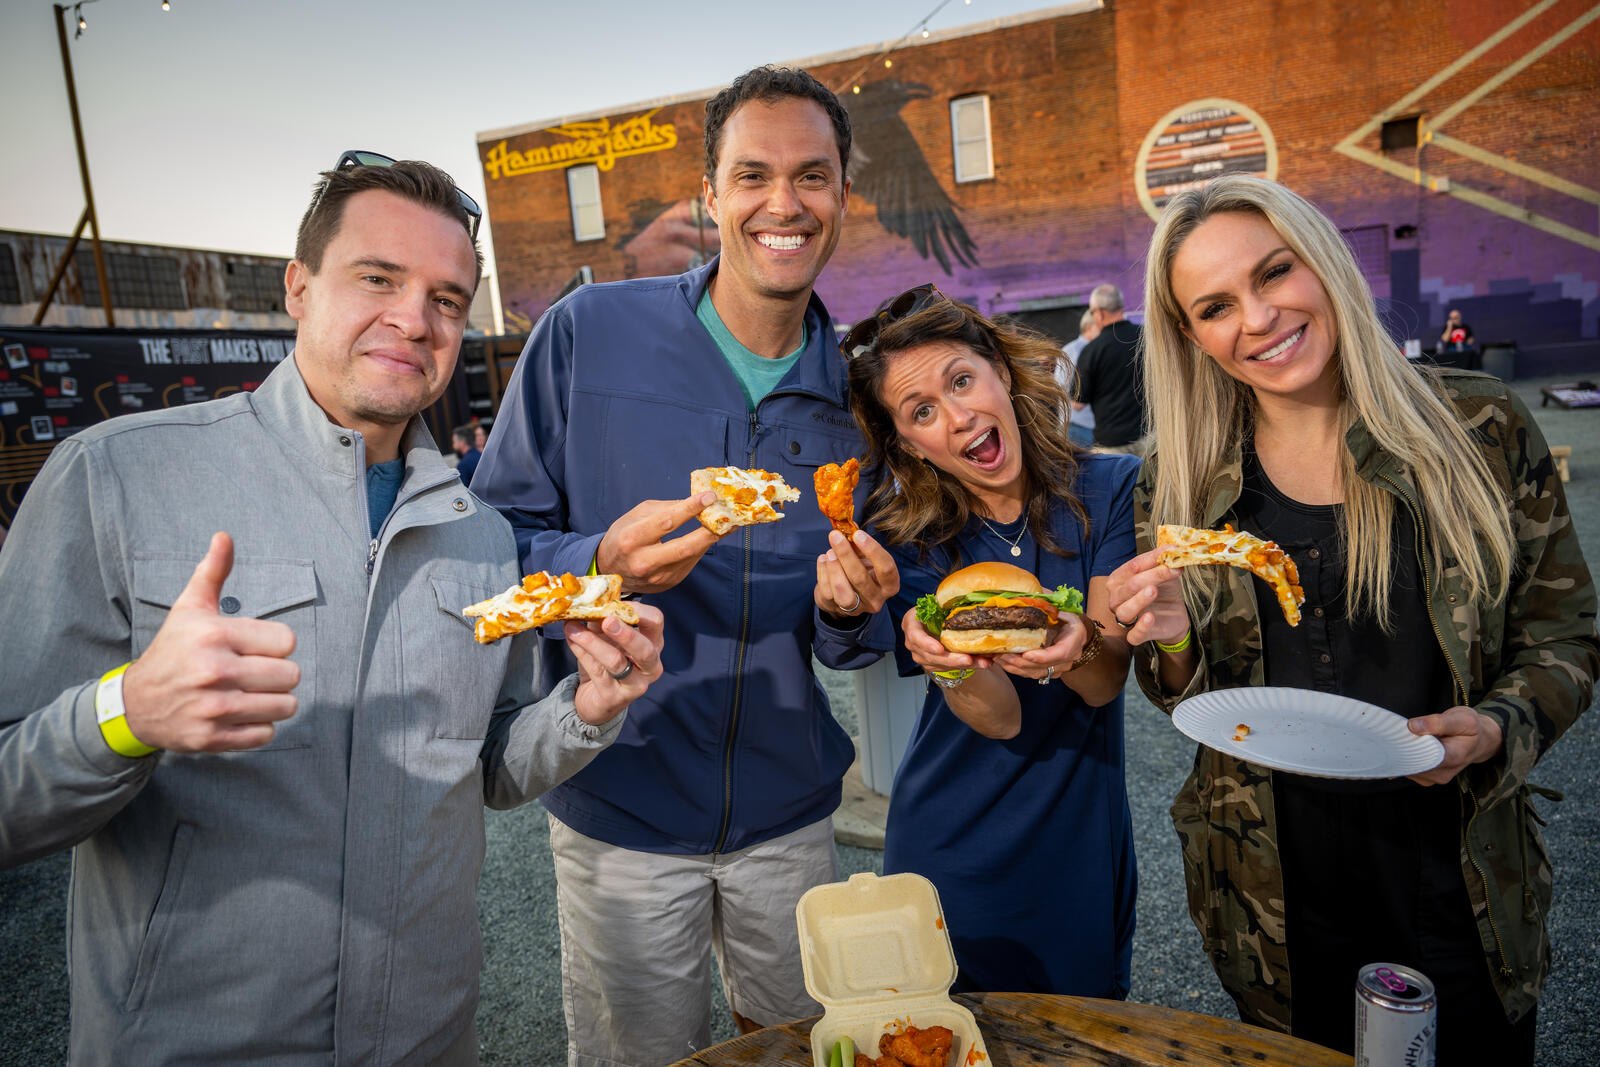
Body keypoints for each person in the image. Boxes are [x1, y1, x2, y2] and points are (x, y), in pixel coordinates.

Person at [0, 155, 666, 1064]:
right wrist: (126, 713)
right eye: (378, 278)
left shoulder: (481, 534)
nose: (414, 319)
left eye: (446, 298)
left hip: (428, 1039)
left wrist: (584, 710)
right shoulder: (114, 477)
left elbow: (489, 766)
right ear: (299, 287)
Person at [1108, 175, 1597, 1062]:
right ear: (1191, 335)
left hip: (1460, 868)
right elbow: (1184, 692)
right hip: (1271, 893)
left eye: (1274, 272)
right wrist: (1168, 634)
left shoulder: (1478, 424)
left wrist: (1496, 724)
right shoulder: (1179, 478)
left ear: (1323, 261)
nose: (1258, 318)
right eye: (1216, 306)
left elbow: (1565, 634)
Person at [471, 66, 892, 1063]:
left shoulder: (860, 395)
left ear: (843, 194)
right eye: (752, 175)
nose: (784, 203)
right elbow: (488, 545)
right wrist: (598, 561)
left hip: (789, 816)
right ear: (709, 194)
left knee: (799, 1049)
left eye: (811, 175)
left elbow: (854, 640)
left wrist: (849, 611)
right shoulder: (587, 332)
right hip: (617, 802)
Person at [822, 284, 1139, 996]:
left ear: (1000, 369)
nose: (958, 416)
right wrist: (949, 663)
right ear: (908, 443)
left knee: (1085, 1032)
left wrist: (1080, 645)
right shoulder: (909, 539)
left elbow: (1104, 682)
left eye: (961, 380)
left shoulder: (1112, 487)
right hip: (950, 848)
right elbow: (1001, 718)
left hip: (1081, 843)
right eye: (922, 411)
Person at [1071, 283, 1146, 453]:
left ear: (1099, 313)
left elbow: (1077, 403)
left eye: (1092, 312)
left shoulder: (1092, 350)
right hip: (1150, 437)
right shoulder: (1146, 336)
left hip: (1112, 443)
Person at [1058, 307, 1099, 447]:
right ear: (1089, 327)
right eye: (1100, 326)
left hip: (1084, 424)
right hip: (1078, 425)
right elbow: (1062, 389)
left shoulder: (1072, 350)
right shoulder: (1074, 350)